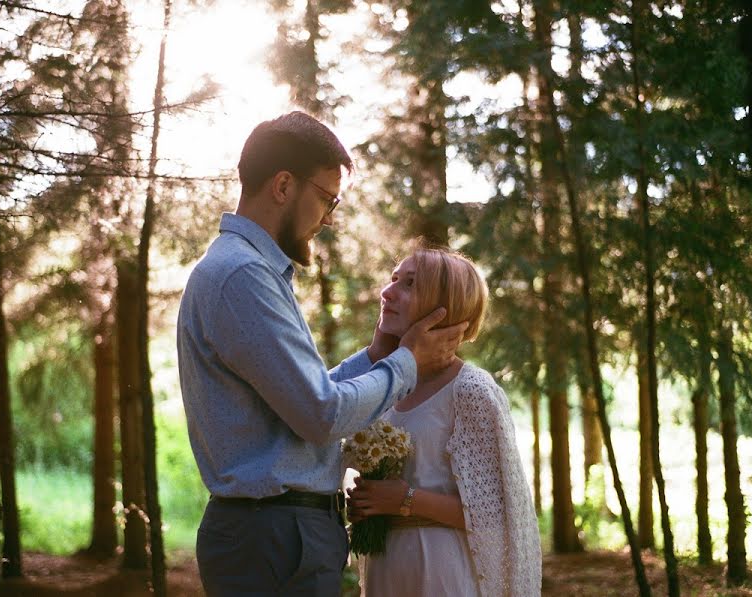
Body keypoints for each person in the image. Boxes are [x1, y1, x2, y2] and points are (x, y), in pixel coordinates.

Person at [176, 111, 467, 597]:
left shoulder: (245, 271)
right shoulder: (243, 276)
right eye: (328, 199)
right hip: (274, 536)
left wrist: (378, 355)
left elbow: (299, 399)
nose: (330, 218)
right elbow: (322, 414)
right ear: (284, 186)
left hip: (274, 533)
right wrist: (409, 360)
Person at [347, 246, 542, 597]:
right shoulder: (383, 385)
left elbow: (498, 515)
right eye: (392, 280)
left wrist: (404, 499)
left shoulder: (471, 391)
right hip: (386, 570)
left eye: (409, 284)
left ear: (443, 307)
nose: (386, 292)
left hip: (440, 573)